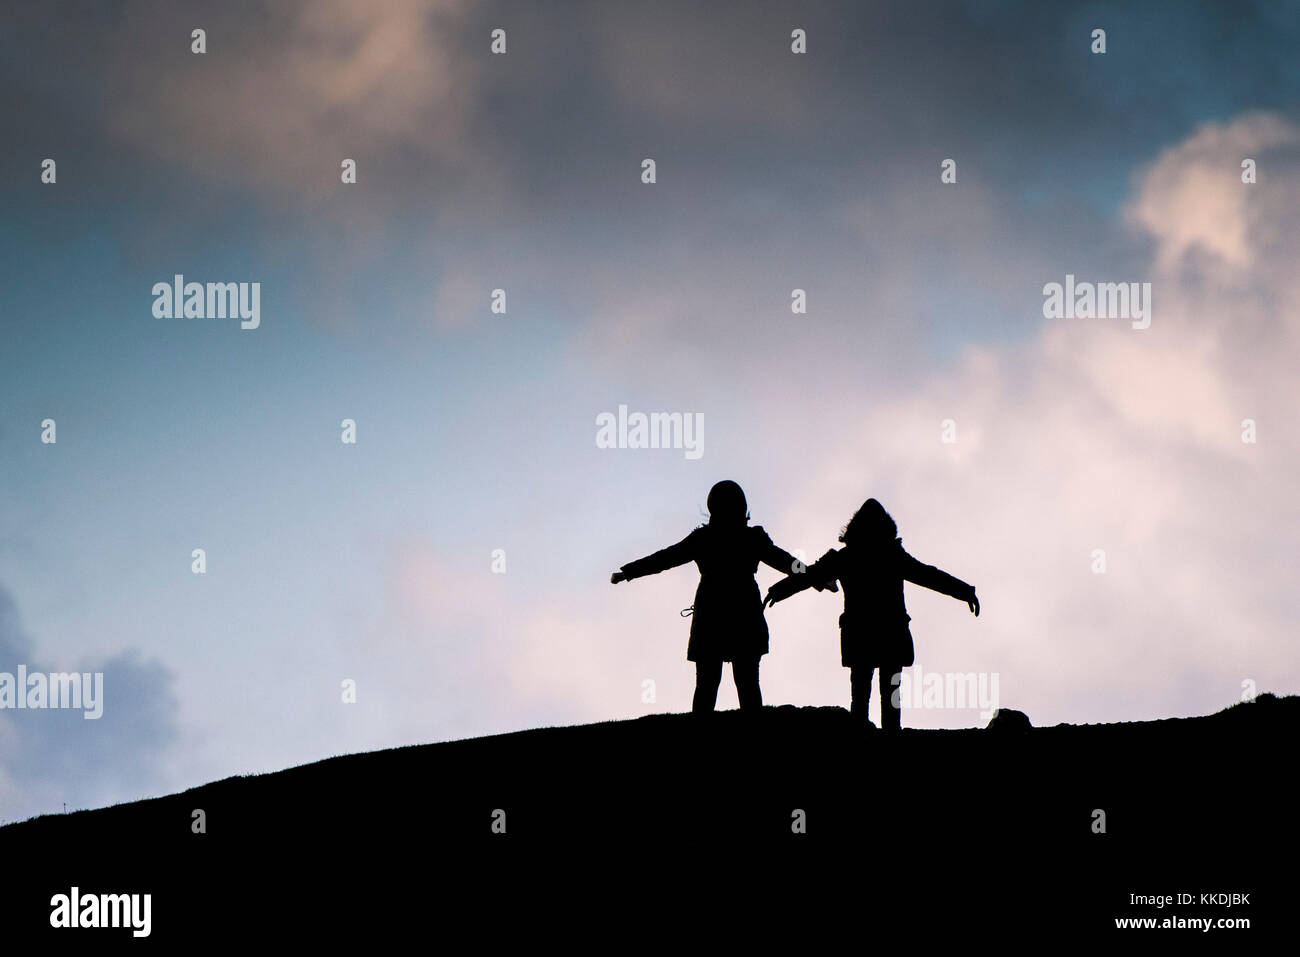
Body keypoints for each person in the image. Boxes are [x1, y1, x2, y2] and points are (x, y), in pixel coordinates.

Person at [611, 480, 831, 713]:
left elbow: (665, 558)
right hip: (743, 614)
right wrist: (816, 577)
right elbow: (786, 561)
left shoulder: (704, 539)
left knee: (708, 686)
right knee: (746, 686)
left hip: (711, 615)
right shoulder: (751, 538)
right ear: (742, 506)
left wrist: (629, 572)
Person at [764, 498, 978, 730]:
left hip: (860, 636)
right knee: (890, 700)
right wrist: (964, 591)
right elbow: (930, 576)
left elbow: (809, 576)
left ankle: (861, 740)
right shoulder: (892, 556)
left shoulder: (845, 557)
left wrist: (779, 590)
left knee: (861, 698)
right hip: (891, 634)